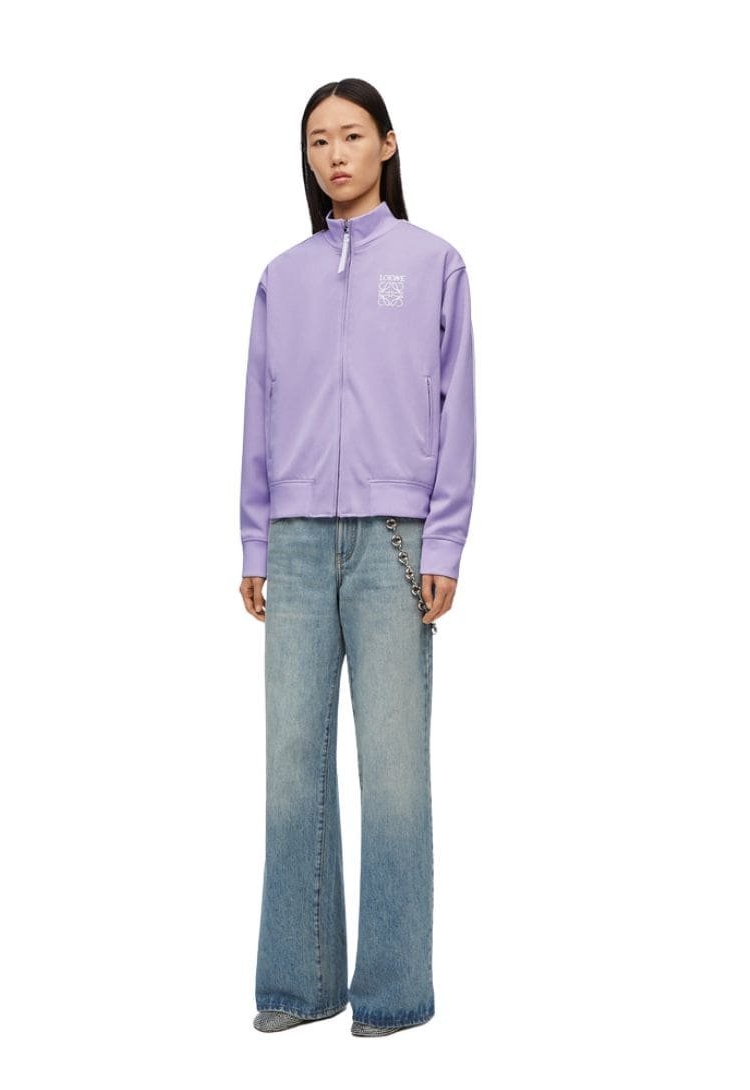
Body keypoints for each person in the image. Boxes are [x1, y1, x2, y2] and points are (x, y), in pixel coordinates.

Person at [238, 77, 477, 1037]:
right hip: (296, 545)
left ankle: (392, 993)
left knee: (395, 772)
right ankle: (298, 985)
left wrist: (444, 537)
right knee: (292, 768)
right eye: (317, 141)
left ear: (386, 143)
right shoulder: (282, 276)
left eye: (349, 135)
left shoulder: (433, 264)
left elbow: (458, 407)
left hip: (393, 542)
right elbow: (258, 412)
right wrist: (255, 536)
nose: (333, 154)